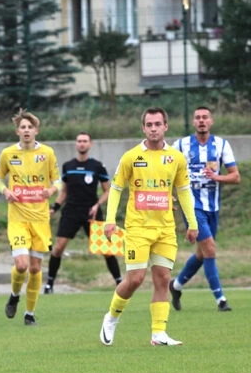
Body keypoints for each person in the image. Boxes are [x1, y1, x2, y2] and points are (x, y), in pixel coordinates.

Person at [99, 107, 198, 347]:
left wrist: (192, 223)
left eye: (158, 124)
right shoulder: (131, 157)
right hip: (138, 228)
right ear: (143, 128)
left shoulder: (176, 158)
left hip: (165, 229)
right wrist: (110, 220)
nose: (154, 128)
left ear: (166, 126)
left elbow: (183, 191)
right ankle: (111, 317)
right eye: (149, 124)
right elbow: (116, 188)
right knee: (135, 279)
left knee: (163, 278)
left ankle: (159, 333)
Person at [169, 106, 241, 312]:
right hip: (191, 206)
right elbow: (166, 170)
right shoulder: (180, 145)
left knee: (202, 254)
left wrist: (217, 177)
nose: (201, 120)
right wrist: (168, 193)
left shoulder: (221, 145)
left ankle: (176, 286)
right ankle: (221, 300)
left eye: (205, 117)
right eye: (198, 117)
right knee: (209, 248)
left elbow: (235, 176)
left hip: (213, 207)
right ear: (193, 122)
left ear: (211, 121)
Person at [0, 110, 61, 325]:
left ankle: (29, 314)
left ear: (36, 131)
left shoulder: (47, 153)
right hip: (18, 219)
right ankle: (14, 295)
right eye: (22, 127)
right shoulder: (8, 154)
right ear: (17, 131)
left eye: (29, 127)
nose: (26, 130)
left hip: (40, 219)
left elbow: (58, 181)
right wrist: (6, 191)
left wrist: (51, 191)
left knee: (35, 269)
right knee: (22, 265)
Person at [45, 132, 122, 294]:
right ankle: (49, 284)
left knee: (106, 250)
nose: (82, 143)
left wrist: (97, 205)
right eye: (79, 141)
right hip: (71, 212)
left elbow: (108, 190)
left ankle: (120, 283)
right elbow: (64, 192)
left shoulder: (97, 166)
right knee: (58, 248)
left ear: (90, 144)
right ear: (76, 144)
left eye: (85, 141)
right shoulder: (68, 166)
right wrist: (54, 207)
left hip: (91, 212)